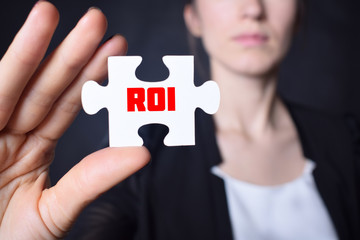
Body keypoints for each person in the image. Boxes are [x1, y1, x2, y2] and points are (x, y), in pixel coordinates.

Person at [0, 0, 359, 240]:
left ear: (299, 12)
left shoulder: (350, 141)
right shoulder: (138, 158)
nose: (253, 8)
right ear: (193, 18)